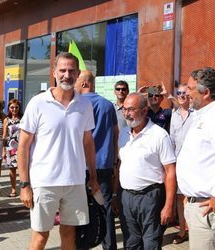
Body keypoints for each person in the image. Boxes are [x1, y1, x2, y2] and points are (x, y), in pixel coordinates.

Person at [18, 52, 100, 250]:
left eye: (71, 70)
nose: (67, 75)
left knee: (69, 234)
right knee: (40, 237)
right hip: (44, 182)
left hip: (75, 182)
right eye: (62, 70)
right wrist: (24, 184)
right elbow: (23, 146)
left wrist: (94, 177)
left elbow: (88, 143)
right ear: (54, 72)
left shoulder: (85, 104)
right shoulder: (38, 103)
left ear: (78, 74)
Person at [176, 67, 215, 250]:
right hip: (199, 206)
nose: (186, 93)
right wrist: (189, 195)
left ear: (205, 92)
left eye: (190, 89)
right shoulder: (203, 115)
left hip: (210, 209)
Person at [113, 92, 176, 249]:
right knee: (131, 243)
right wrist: (115, 193)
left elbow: (170, 172)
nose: (126, 114)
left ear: (144, 110)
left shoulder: (159, 136)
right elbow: (120, 165)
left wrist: (168, 206)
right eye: (124, 109)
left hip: (150, 198)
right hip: (126, 197)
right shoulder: (124, 135)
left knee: (151, 244)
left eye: (131, 109)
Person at [75, 70, 118, 250]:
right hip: (103, 166)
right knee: (105, 209)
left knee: (78, 211)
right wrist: (114, 161)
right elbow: (115, 135)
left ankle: (81, 245)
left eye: (77, 82)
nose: (74, 86)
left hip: (80, 168)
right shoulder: (108, 105)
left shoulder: (76, 105)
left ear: (85, 84)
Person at [169, 83, 193, 244]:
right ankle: (183, 231)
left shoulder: (196, 113)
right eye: (179, 93)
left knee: (190, 197)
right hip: (178, 160)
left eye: (184, 92)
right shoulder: (174, 114)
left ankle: (194, 229)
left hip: (193, 161)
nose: (181, 95)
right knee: (179, 197)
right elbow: (172, 139)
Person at [2, 99, 23, 197]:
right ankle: (13, 189)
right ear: (9, 108)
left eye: (16, 107)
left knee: (22, 169)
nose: (14, 109)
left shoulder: (23, 118)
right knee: (12, 170)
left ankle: (24, 189)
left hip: (21, 147)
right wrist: (3, 151)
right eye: (12, 107)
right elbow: (4, 136)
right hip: (10, 148)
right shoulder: (6, 119)